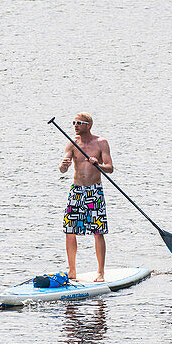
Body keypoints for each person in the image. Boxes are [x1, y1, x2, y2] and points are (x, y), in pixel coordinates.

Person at [59, 113, 113, 282]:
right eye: (74, 122)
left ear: (88, 125)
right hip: (76, 191)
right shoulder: (72, 142)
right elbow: (63, 168)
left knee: (98, 232)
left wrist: (98, 164)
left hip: (94, 191)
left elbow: (110, 168)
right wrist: (63, 165)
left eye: (79, 123)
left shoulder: (101, 143)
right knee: (69, 231)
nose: (75, 125)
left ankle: (100, 273)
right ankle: (72, 270)